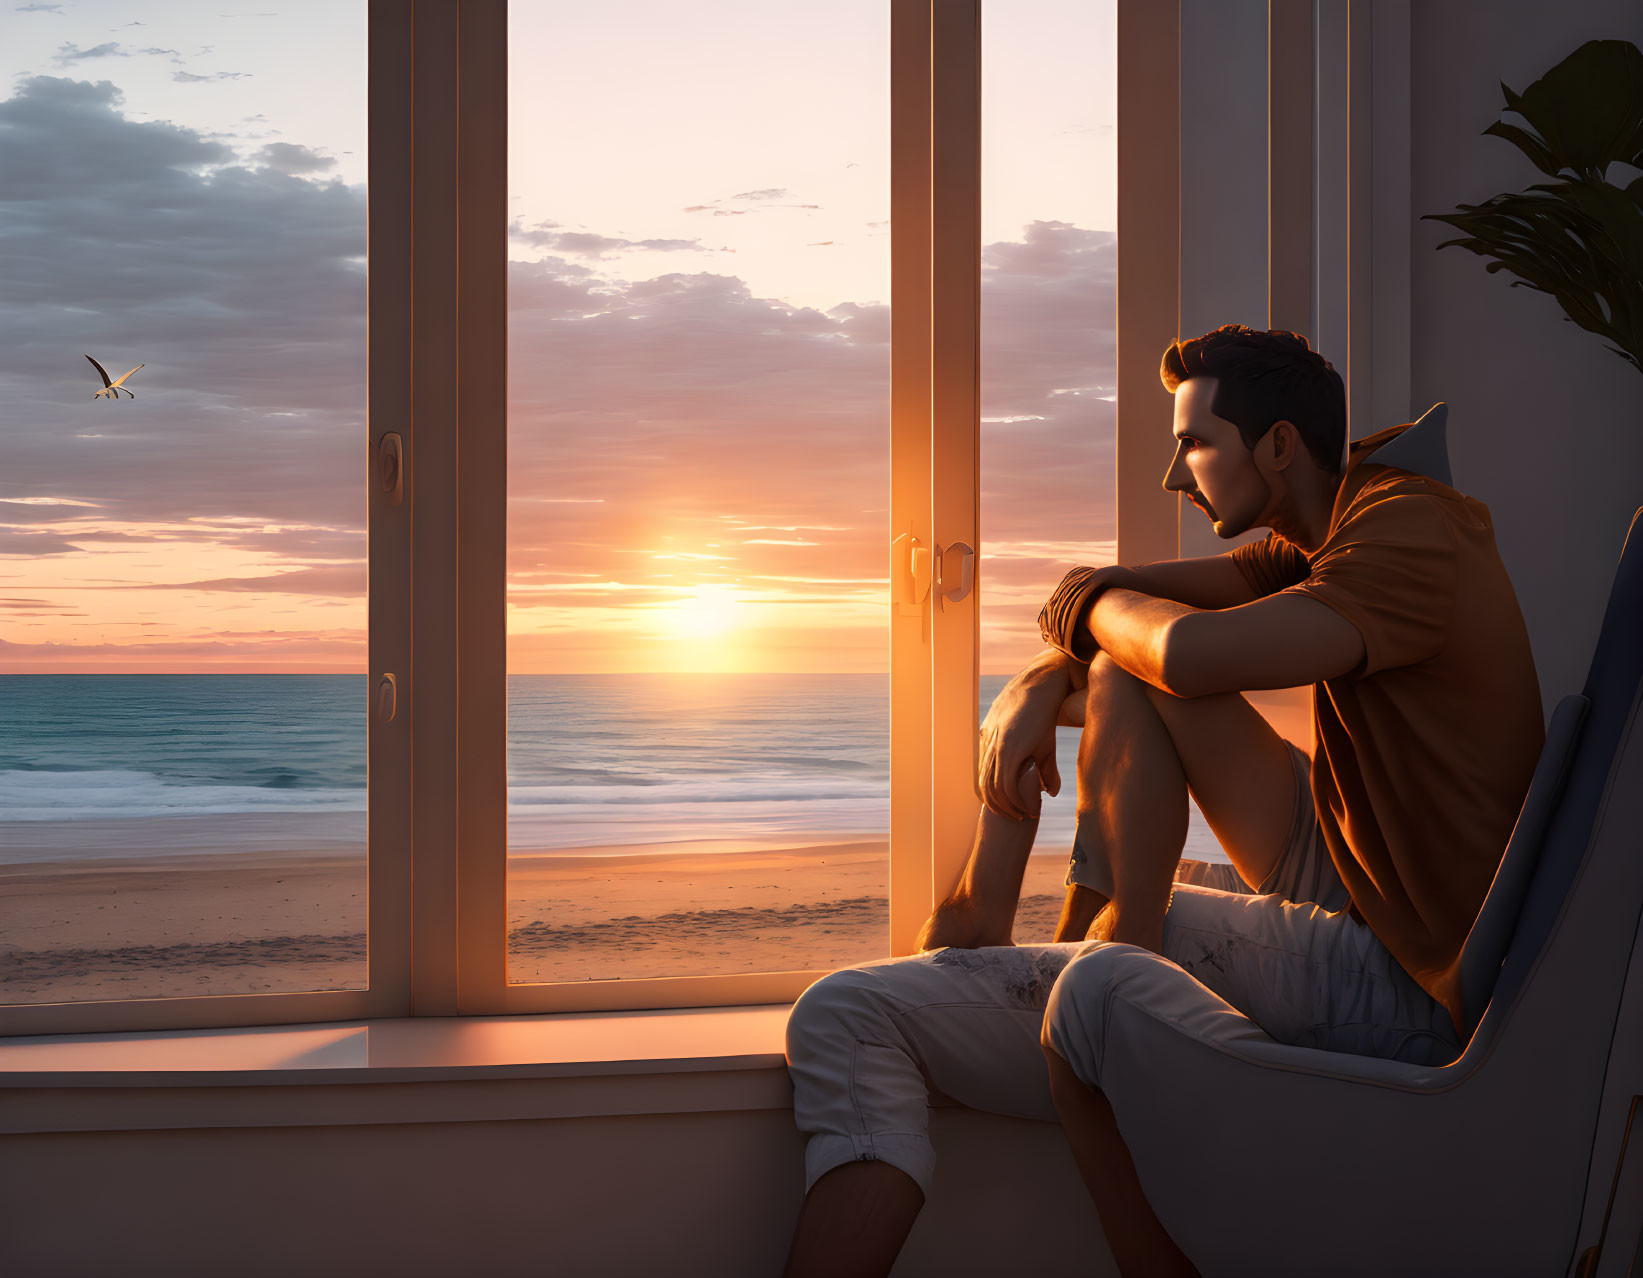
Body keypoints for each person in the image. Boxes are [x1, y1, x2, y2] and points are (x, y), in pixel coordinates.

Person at [780, 325, 1546, 1278]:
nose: (1173, 478)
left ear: (1274, 448)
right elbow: (1130, 612)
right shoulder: (1334, 524)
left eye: (1193, 444)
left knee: (848, 1012)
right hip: (1365, 878)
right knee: (1127, 676)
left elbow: (1182, 650)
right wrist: (1036, 677)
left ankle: (1108, 968)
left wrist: (1085, 616)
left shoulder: (1407, 532)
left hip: (1415, 972)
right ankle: (1089, 940)